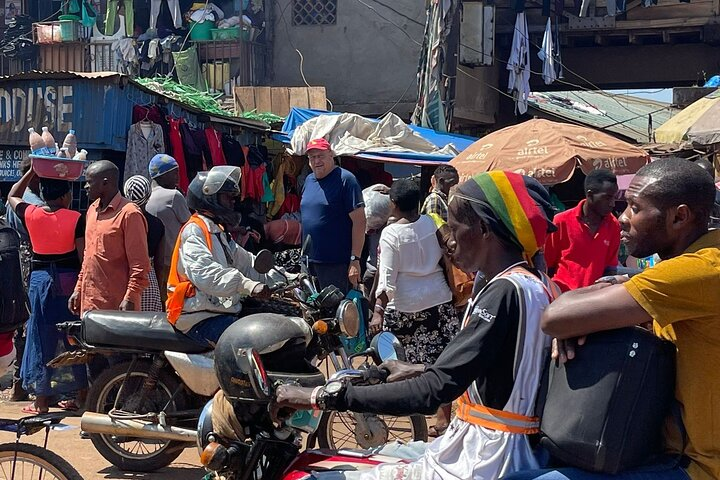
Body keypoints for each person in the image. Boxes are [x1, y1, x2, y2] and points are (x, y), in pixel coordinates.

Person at [276, 171, 559, 480]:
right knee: (385, 455)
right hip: (490, 445)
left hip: (484, 458)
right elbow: (495, 374)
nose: (449, 240)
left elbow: (433, 391)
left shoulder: (504, 292)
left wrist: (321, 396)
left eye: (454, 228)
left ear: (483, 229)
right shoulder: (537, 284)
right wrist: (416, 369)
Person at [503, 159, 719, 480]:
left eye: (634, 207)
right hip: (657, 447)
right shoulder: (700, 260)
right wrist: (606, 297)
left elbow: (556, 318)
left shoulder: (697, 270)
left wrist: (579, 320)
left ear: (679, 217)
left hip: (695, 466)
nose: (622, 218)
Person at [369, 178, 460, 437]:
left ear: (393, 205)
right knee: (441, 362)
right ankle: (442, 419)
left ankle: (415, 414)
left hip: (407, 309)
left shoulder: (391, 234)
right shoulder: (430, 222)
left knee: (404, 366)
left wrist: (378, 310)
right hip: (439, 301)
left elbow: (386, 278)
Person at [165, 166, 282, 346]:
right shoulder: (194, 230)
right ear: (209, 198)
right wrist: (248, 285)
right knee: (256, 341)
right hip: (196, 318)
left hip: (217, 310)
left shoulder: (218, 232)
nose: (233, 203)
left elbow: (248, 263)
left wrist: (286, 277)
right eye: (228, 197)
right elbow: (206, 274)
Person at [7, 169, 88, 414]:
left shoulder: (31, 213)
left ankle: (41, 402)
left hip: (40, 281)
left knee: (41, 338)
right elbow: (82, 256)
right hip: (68, 280)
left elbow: (13, 195)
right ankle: (81, 397)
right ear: (65, 196)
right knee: (74, 338)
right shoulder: (76, 218)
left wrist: (33, 171)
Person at [69, 160, 151, 316]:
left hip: (117, 307)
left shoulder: (129, 213)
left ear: (105, 183)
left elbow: (140, 264)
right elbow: (88, 257)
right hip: (90, 304)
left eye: (89, 182)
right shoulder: (92, 211)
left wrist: (131, 296)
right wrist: (78, 289)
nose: (85, 187)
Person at [300, 138, 366, 294]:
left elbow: (360, 222)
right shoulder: (309, 180)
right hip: (309, 262)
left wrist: (355, 260)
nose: (316, 161)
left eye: (320, 156)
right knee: (310, 311)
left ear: (331, 155)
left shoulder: (346, 180)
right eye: (312, 157)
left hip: (336, 264)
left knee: (335, 314)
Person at [4, 157, 43, 402]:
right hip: (29, 263)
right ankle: (22, 383)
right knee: (28, 325)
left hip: (15, 264)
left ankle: (18, 384)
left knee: (18, 322)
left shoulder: (15, 198)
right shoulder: (33, 202)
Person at [544, 169, 620, 292]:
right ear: (590, 195)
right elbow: (547, 265)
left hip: (594, 300)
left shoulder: (613, 225)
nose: (612, 204)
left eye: (614, 198)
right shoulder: (561, 221)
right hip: (562, 297)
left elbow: (609, 268)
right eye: (607, 198)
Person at [146, 154, 191, 302]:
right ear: (163, 175)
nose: (178, 176)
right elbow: (190, 224)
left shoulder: (146, 195)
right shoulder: (173, 196)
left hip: (153, 263)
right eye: (174, 172)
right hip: (172, 263)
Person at [124, 175, 165, 312]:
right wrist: (158, 288)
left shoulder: (122, 220)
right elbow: (159, 263)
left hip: (124, 279)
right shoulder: (157, 224)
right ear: (148, 196)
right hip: (148, 280)